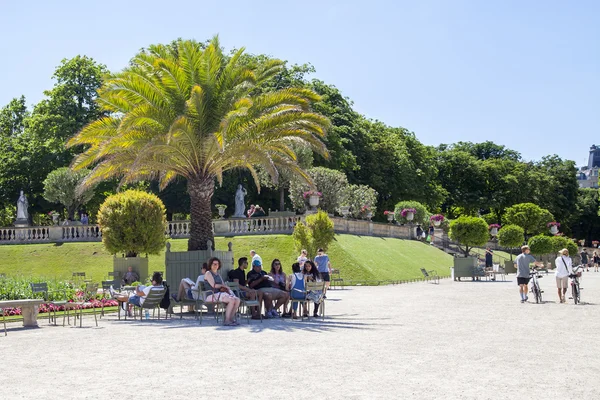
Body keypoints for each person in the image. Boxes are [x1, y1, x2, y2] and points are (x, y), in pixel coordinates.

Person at [203, 257, 241, 326]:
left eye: (217, 264)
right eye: (214, 264)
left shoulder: (218, 275)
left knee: (237, 300)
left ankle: (231, 319)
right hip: (212, 295)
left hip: (220, 294)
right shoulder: (208, 273)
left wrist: (226, 288)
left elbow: (223, 285)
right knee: (231, 300)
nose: (215, 265)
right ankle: (226, 320)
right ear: (210, 265)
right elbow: (213, 285)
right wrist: (223, 286)